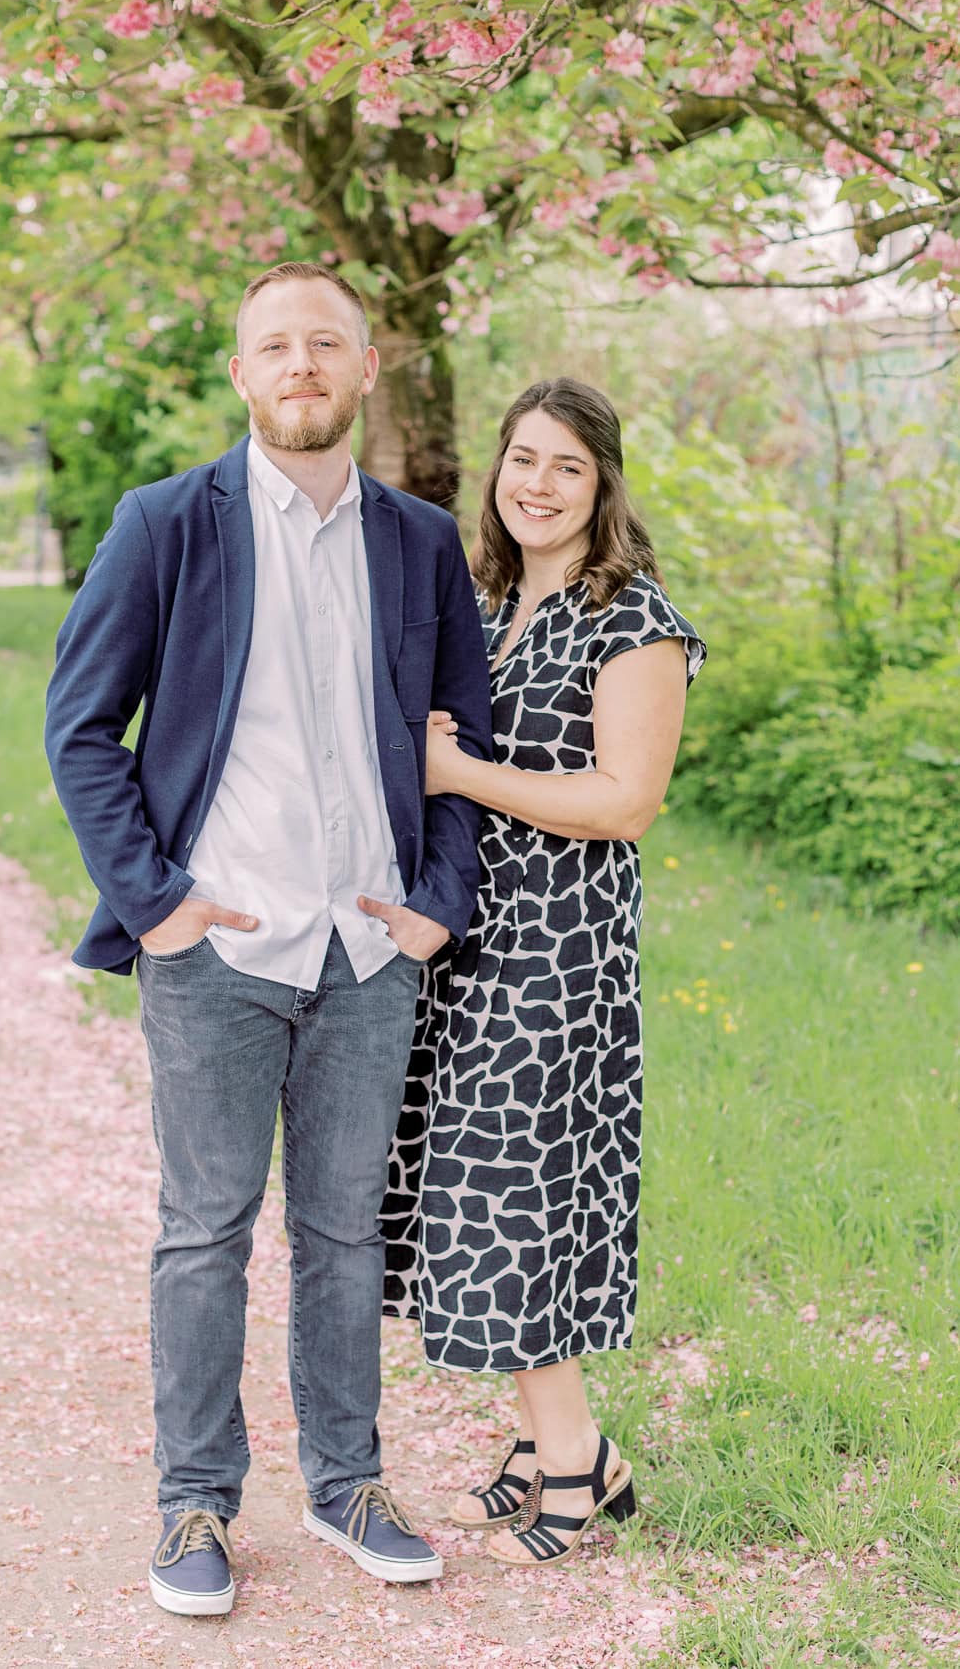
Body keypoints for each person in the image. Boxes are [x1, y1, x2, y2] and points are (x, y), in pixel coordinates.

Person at [44, 262, 492, 1615]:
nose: (300, 364)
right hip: (217, 949)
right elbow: (80, 726)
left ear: (363, 370)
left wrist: (435, 903)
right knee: (203, 1231)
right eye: (273, 346)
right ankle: (192, 1499)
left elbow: (457, 746)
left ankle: (348, 1481)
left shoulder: (417, 540)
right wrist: (155, 899)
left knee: (345, 1233)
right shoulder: (164, 522)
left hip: (367, 952)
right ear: (240, 374)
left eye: (325, 343)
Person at [381, 377, 706, 1568]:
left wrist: (460, 778)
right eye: (522, 459)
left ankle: (576, 1462)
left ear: (602, 484)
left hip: (556, 956)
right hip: (464, 947)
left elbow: (627, 802)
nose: (537, 484)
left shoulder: (637, 622)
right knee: (467, 1201)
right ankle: (542, 1448)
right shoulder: (488, 600)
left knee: (516, 1200)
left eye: (566, 466)